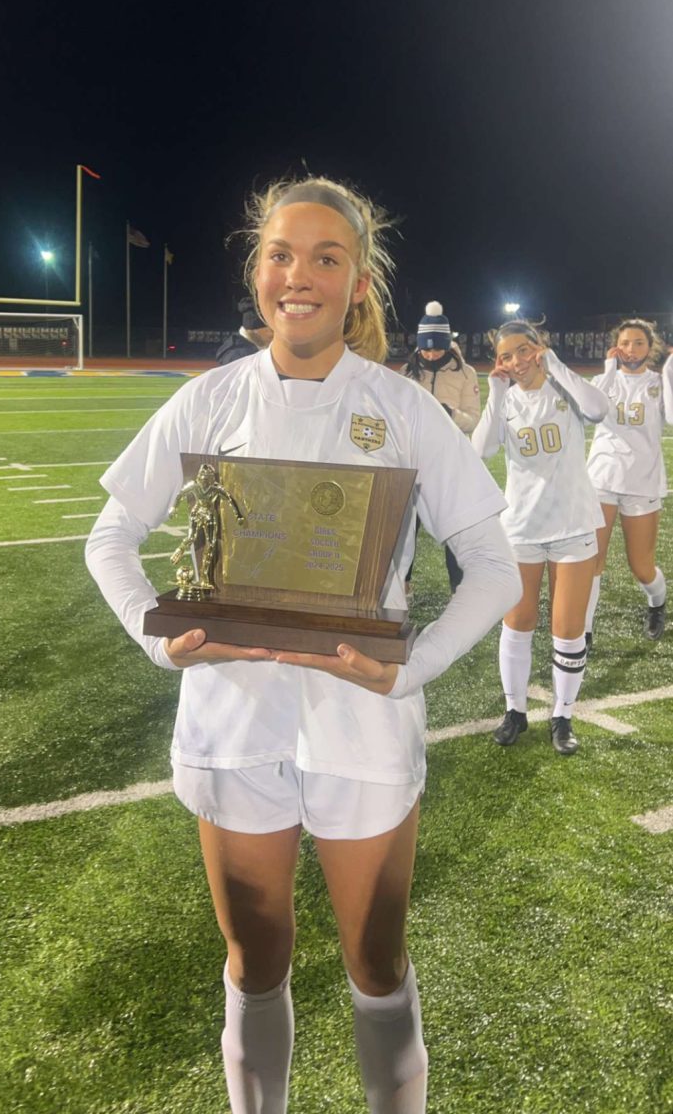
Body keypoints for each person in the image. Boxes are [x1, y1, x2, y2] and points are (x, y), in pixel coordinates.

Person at [85, 175, 521, 1114]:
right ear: (257, 273)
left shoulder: (401, 408)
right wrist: (160, 644)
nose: (301, 275)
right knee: (254, 961)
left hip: (363, 728)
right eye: (281, 254)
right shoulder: (211, 400)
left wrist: (414, 667)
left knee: (374, 963)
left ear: (358, 282)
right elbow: (108, 537)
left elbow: (492, 563)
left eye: (327, 258)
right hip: (233, 723)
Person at [472, 318, 609, 756]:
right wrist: (494, 391)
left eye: (523, 351)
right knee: (518, 623)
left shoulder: (565, 390)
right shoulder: (506, 399)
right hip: (522, 527)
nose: (515, 362)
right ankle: (515, 711)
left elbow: (599, 409)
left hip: (572, 526)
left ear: (539, 348)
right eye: (505, 355)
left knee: (568, 630)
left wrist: (556, 364)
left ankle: (562, 716)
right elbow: (481, 451)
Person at [585, 319, 673, 643]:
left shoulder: (659, 382)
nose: (631, 349)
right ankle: (585, 630)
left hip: (642, 481)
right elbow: (590, 411)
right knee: (592, 559)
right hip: (601, 478)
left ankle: (657, 602)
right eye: (625, 342)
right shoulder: (603, 378)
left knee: (641, 567)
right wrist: (609, 369)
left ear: (650, 348)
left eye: (638, 342)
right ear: (615, 346)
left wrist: (670, 372)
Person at [401, 301, 481, 591]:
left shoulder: (466, 373)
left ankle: (460, 591)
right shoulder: (407, 372)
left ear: (448, 344)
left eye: (437, 348)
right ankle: (402, 587)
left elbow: (474, 421)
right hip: (415, 462)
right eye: (426, 348)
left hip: (451, 463)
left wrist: (449, 414)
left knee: (454, 529)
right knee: (405, 529)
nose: (431, 354)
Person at [216, 295, 274, 364]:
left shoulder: (251, 347)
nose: (274, 334)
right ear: (256, 330)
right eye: (271, 329)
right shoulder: (237, 355)